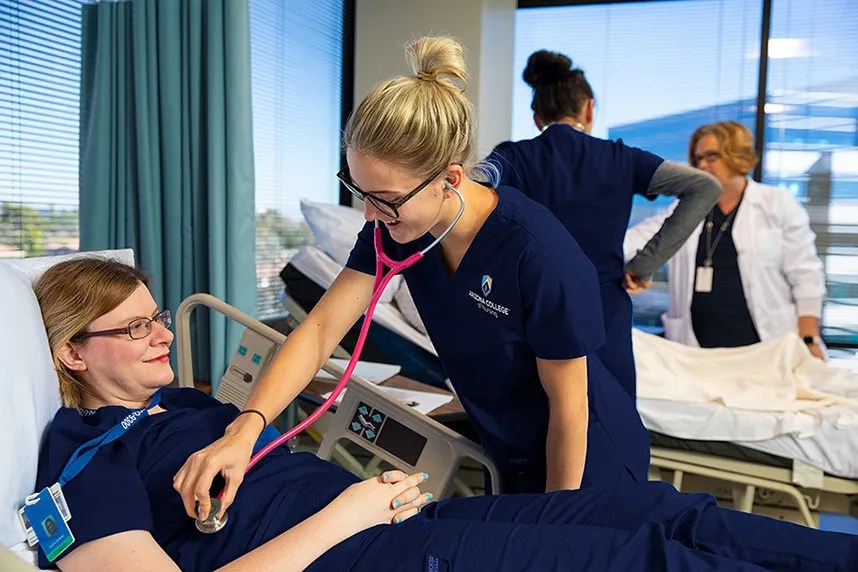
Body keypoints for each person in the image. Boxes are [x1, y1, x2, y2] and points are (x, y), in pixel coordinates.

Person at [31, 256, 858, 571]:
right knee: (638, 559)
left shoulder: (184, 399)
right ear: (72, 353)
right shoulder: (81, 464)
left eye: (158, 315)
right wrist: (348, 511)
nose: (161, 332)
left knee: (656, 508)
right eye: (134, 326)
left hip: (397, 525)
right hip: (362, 552)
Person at [177, 36, 650, 499]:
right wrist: (245, 429)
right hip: (509, 452)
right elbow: (321, 329)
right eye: (359, 193)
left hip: (588, 464)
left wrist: (554, 522)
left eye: (384, 200)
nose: (369, 216)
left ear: (449, 178)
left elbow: (569, 407)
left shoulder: (539, 253)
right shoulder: (396, 226)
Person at [487, 50, 722, 400]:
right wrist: (646, 264)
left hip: (533, 309)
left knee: (539, 418)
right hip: (602, 310)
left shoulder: (512, 157)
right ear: (589, 108)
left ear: (537, 117)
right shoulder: (621, 158)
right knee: (610, 421)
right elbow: (705, 187)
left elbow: (470, 185)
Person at [624, 121, 827, 357]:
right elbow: (637, 239)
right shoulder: (685, 207)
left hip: (764, 343)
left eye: (711, 156)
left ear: (737, 155)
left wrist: (809, 338)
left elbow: (806, 275)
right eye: (698, 159)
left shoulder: (776, 203)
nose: (702, 165)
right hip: (697, 347)